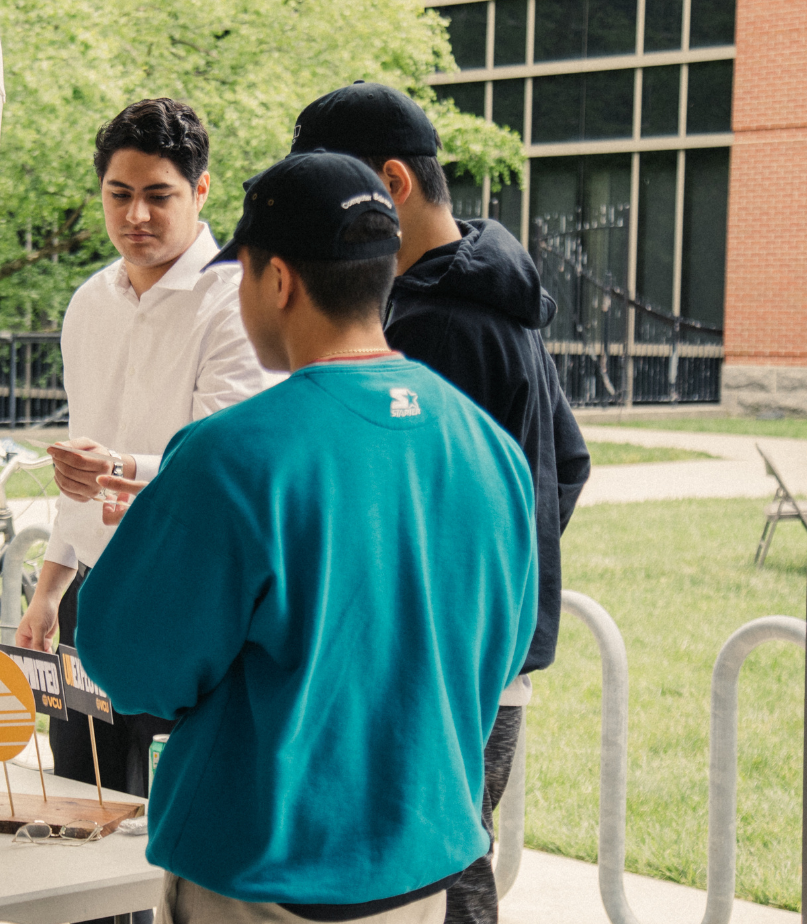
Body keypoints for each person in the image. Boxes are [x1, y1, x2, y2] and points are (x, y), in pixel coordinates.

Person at [77, 152, 537, 924]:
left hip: (261, 876)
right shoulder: (489, 447)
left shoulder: (231, 454)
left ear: (278, 280)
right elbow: (501, 646)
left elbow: (130, 665)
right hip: (421, 871)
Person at [289, 81, 592, 924]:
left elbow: (390, 512)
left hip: (438, 668)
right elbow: (564, 464)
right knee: (451, 866)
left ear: (391, 185)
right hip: (487, 663)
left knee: (430, 881)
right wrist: (506, 588)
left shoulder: (433, 327)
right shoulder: (500, 300)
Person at [13, 98, 272, 805]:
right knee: (82, 796)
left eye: (159, 196)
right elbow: (81, 464)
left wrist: (119, 468)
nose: (136, 217)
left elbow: (228, 461)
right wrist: (48, 590)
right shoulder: (89, 301)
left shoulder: (237, 299)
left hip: (201, 591)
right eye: (119, 195)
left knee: (202, 800)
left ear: (203, 190)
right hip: (95, 587)